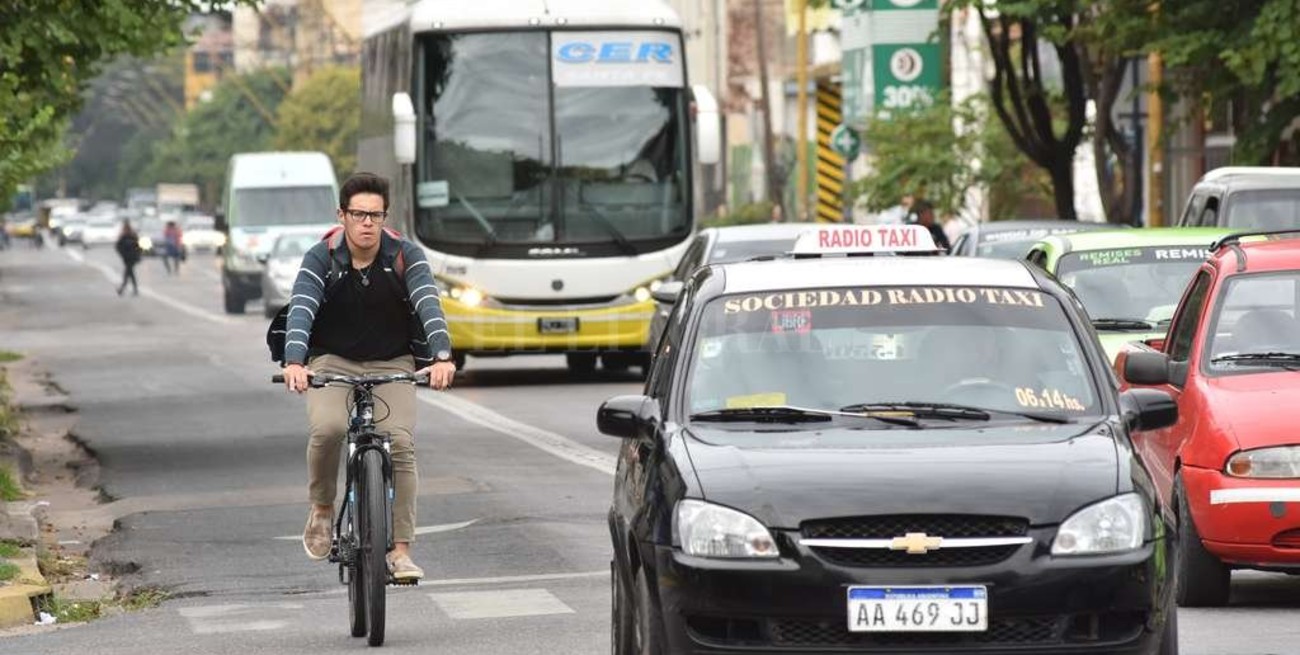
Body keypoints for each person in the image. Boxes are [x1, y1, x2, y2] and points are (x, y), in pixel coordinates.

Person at [280, 172, 456, 582]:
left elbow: (429, 304)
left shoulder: (405, 256)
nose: (366, 223)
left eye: (375, 215)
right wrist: (294, 362)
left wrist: (443, 355)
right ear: (341, 215)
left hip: (392, 363)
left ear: (384, 217)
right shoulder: (321, 257)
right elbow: (301, 309)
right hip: (332, 363)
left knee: (400, 444)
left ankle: (400, 551)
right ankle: (323, 510)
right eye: (358, 214)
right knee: (327, 429)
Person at [115, 220, 142, 296]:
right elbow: (118, 247)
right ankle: (133, 289)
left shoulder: (132, 236)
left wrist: (138, 255)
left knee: (128, 273)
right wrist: (123, 254)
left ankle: (122, 289)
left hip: (131, 258)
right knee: (130, 273)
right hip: (127, 258)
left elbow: (139, 247)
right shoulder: (124, 237)